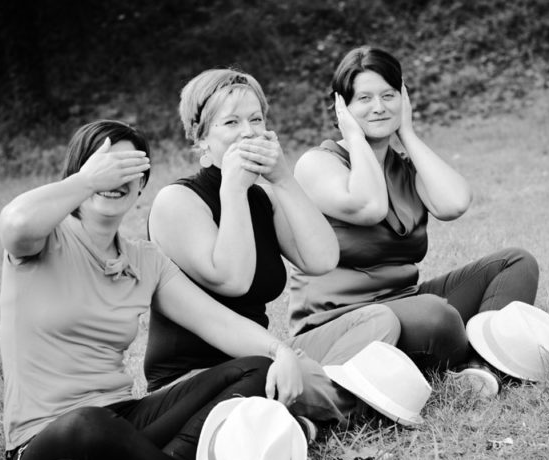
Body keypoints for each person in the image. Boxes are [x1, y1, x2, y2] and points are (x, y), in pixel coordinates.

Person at [0, 120, 306, 460]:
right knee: (89, 424)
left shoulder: (144, 260)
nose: (115, 178)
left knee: (257, 368)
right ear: (78, 173)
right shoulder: (42, 241)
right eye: (105, 165)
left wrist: (279, 351)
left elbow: (217, 322)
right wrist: (88, 180)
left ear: (141, 185)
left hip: (126, 420)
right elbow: (16, 223)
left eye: (129, 169)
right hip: (48, 443)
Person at [145, 68, 400, 424]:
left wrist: (282, 178)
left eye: (256, 119)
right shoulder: (177, 201)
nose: (248, 131)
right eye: (231, 122)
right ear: (201, 139)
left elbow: (323, 259)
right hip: (196, 378)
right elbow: (232, 279)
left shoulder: (263, 196)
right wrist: (231, 189)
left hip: (265, 357)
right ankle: (364, 399)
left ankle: (309, 410)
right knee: (297, 375)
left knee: (378, 319)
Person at [289, 46, 540, 395]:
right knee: (437, 316)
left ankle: (481, 368)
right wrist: (355, 137)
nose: (379, 107)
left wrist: (406, 132)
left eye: (388, 95)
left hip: (407, 302)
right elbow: (370, 206)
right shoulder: (317, 164)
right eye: (364, 98)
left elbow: (454, 203)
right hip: (342, 321)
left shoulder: (404, 167)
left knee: (516, 263)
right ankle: (471, 361)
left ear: (403, 98)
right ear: (341, 107)